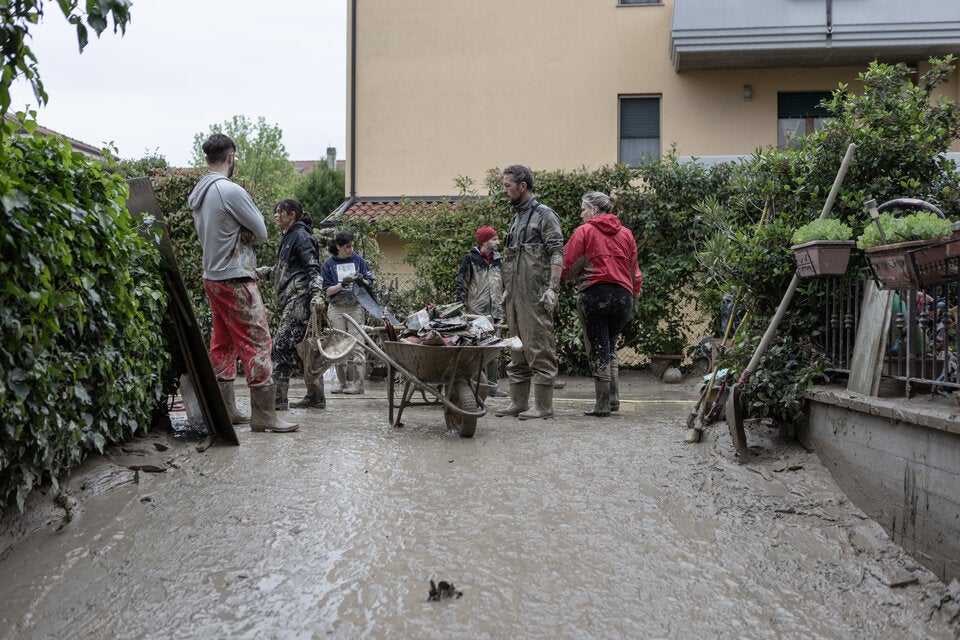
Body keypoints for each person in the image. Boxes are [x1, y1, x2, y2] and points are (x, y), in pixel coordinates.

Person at [188, 133, 298, 432]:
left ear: (207, 158)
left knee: (222, 342)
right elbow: (261, 231)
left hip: (212, 276)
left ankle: (227, 408)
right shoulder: (229, 191)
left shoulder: (200, 193)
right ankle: (264, 415)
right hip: (235, 278)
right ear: (231, 157)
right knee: (258, 342)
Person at [561, 192, 643, 417]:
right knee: (610, 344)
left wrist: (559, 280)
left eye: (583, 209)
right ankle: (614, 398)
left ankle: (602, 404)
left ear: (595, 210)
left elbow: (567, 264)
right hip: (623, 297)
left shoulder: (584, 231)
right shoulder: (626, 234)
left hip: (594, 295)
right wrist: (634, 296)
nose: (581, 214)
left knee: (597, 347)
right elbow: (634, 271)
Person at [494, 165, 564, 420]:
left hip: (535, 295)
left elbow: (557, 250)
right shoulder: (516, 218)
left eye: (507, 185)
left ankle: (544, 406)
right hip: (513, 295)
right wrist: (506, 290)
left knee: (539, 347)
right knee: (517, 349)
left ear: (522, 186)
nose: (504, 190)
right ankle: (518, 403)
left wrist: (552, 289)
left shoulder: (544, 215)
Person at [256, 199, 326, 411]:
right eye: (275, 211)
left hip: (300, 299)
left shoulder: (301, 236)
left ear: (292, 214)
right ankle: (315, 397)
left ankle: (278, 401)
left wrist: (316, 294)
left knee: (281, 346)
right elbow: (285, 270)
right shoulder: (289, 237)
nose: (276, 215)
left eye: (280, 212)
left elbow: (313, 267)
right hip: (293, 298)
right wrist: (261, 272)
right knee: (302, 350)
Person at [456, 225, 507, 397]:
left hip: (495, 313)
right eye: (494, 239)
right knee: (476, 351)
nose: (497, 242)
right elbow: (461, 285)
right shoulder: (470, 259)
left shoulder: (498, 260)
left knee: (494, 351)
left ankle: (492, 387)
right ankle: (475, 385)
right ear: (485, 242)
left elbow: (505, 284)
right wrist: (461, 310)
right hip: (476, 313)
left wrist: (505, 302)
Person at [322, 230, 375, 394]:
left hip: (355, 306)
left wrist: (361, 280)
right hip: (336, 307)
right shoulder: (329, 264)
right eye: (347, 247)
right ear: (338, 247)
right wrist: (342, 284)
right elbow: (327, 291)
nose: (351, 249)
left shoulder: (358, 260)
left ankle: (358, 384)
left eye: (352, 246)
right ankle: (341, 383)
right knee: (338, 344)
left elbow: (370, 281)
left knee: (357, 343)